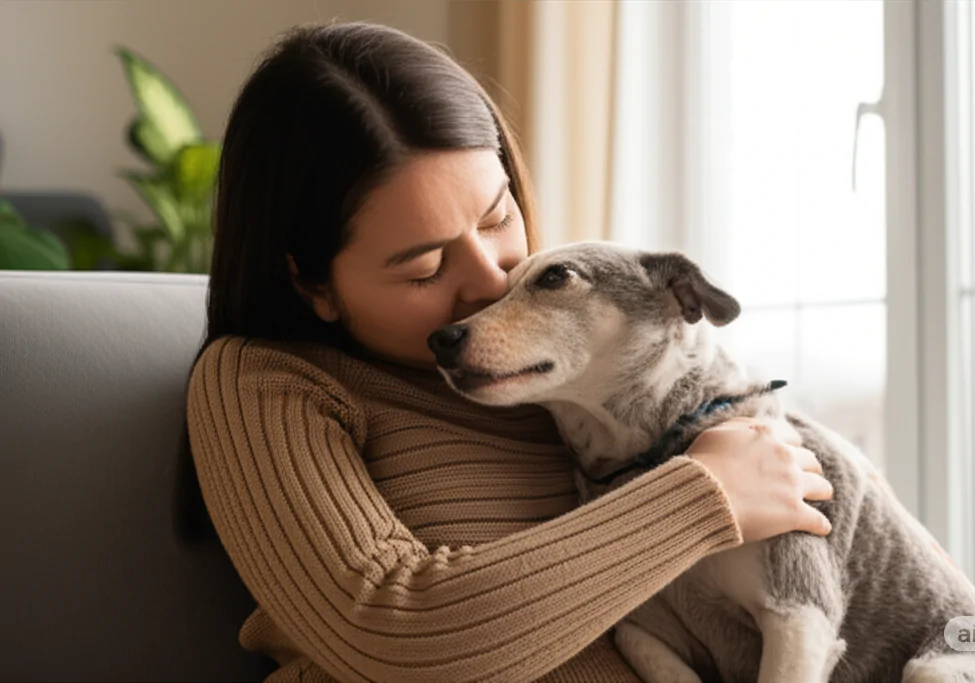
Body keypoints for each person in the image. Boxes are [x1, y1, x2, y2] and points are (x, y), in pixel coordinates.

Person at [181, 21, 834, 683]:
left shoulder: (580, 372)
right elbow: (396, 636)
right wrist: (701, 497)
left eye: (498, 217)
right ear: (311, 282)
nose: (493, 281)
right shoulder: (265, 381)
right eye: (425, 267)